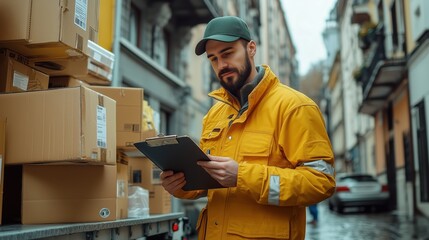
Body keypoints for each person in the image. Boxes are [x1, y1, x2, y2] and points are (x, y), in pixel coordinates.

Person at [160, 16, 335, 240]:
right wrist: (180, 186)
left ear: (251, 48)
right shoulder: (215, 115)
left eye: (227, 53)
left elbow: (321, 182)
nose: (221, 65)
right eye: (213, 59)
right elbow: (208, 182)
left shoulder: (294, 107)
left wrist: (241, 176)